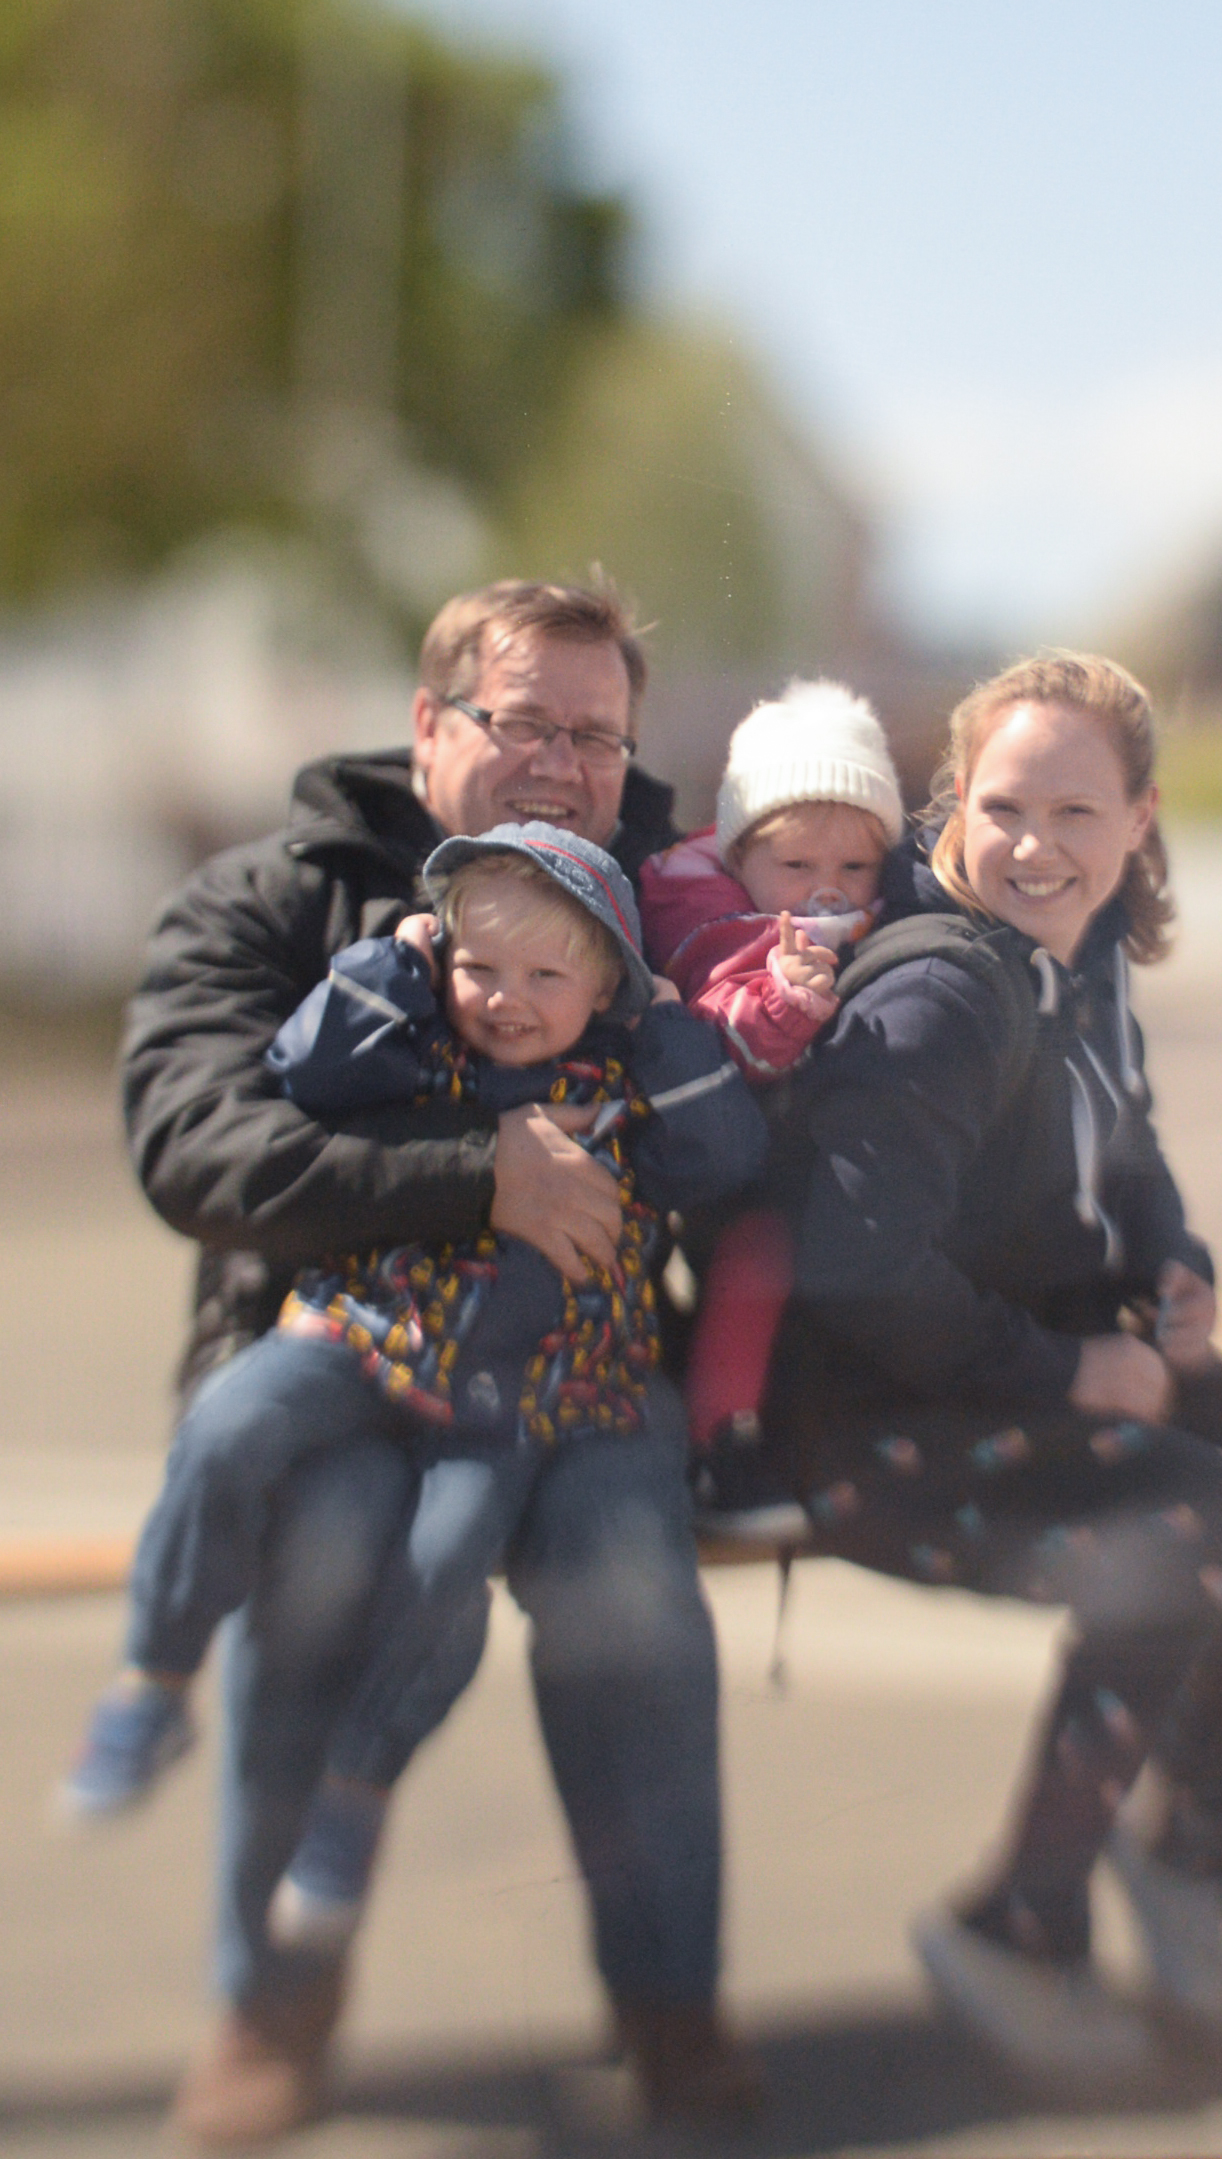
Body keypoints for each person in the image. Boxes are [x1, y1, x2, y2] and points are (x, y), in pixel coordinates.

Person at [117, 581, 760, 2140]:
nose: (560, 760)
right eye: (521, 719)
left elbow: (771, 1129)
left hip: (579, 1371)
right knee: (327, 1546)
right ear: (426, 725)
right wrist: (480, 1174)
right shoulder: (273, 898)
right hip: (333, 1362)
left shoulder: (667, 910)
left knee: (624, 1574)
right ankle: (271, 1999)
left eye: (594, 734)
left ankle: (668, 2003)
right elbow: (196, 1142)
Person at [761, 652, 1222, 2079]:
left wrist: (1169, 1265)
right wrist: (1069, 1369)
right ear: (953, 802)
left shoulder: (1080, 952)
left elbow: (1123, 1149)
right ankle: (1016, 1923)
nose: (1033, 843)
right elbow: (852, 1266)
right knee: (1187, 1508)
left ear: (1137, 819)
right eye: (1003, 805)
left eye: (1074, 811)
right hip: (871, 1426)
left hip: (1006, 1379)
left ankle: (1189, 1852)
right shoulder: (936, 995)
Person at [65, 824, 767, 1955]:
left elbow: (723, 1155)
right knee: (230, 1422)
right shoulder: (418, 1034)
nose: (506, 1000)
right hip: (368, 1330)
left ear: (605, 987)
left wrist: (668, 1026)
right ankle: (152, 1674)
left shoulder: (626, 1080)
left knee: (442, 1570)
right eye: (479, 966)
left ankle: (355, 1786)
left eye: (545, 977)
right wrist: (389, 968)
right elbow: (302, 1073)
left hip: (519, 1390)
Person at [638, 681, 903, 1536]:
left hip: (816, 1152)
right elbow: (722, 1008)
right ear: (738, 857)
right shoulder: (705, 912)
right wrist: (782, 1000)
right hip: (730, 1156)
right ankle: (719, 1443)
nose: (826, 891)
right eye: (796, 868)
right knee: (754, 1268)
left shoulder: (883, 910)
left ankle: (803, 1430)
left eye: (852, 868)